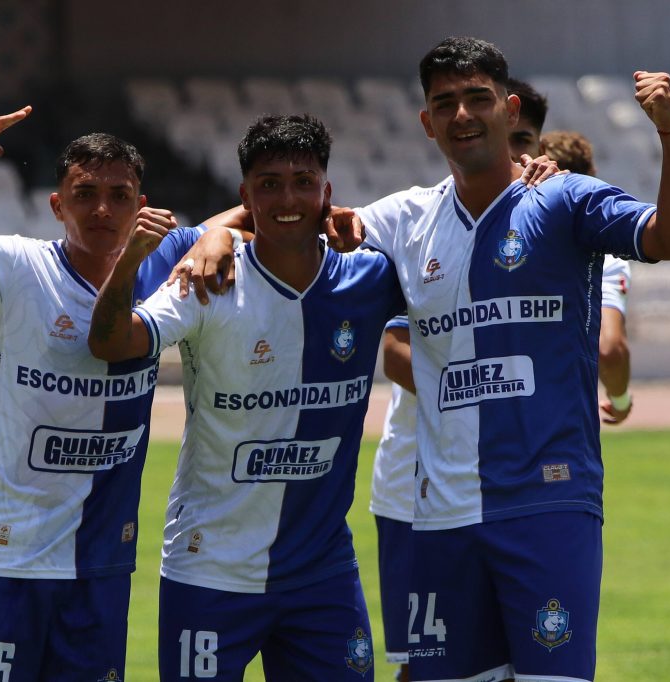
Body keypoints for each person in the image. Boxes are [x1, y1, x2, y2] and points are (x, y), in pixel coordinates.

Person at [356, 37, 670, 682]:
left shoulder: (564, 199)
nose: (463, 115)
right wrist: (212, 233)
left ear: (510, 110)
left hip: (549, 505)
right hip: (442, 513)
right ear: (427, 123)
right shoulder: (404, 220)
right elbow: (293, 222)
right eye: (445, 103)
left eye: (478, 98)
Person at [0, 107, 205, 681]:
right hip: (3, 554)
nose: (102, 209)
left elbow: (255, 215)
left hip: (99, 565)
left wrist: (220, 237)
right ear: (58, 205)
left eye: (118, 195)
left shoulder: (161, 266)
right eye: (85, 193)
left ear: (141, 205)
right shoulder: (16, 265)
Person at [88, 113, 403, 681]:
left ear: (327, 193)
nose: (288, 198)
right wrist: (153, 251)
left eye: (304, 182)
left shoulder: (372, 278)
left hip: (322, 572)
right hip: (209, 568)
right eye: (270, 184)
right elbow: (110, 342)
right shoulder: (206, 279)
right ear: (244, 195)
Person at [539, 129, 635, 423]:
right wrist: (620, 400)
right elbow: (609, 349)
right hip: (555, 419)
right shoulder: (603, 258)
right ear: (591, 176)